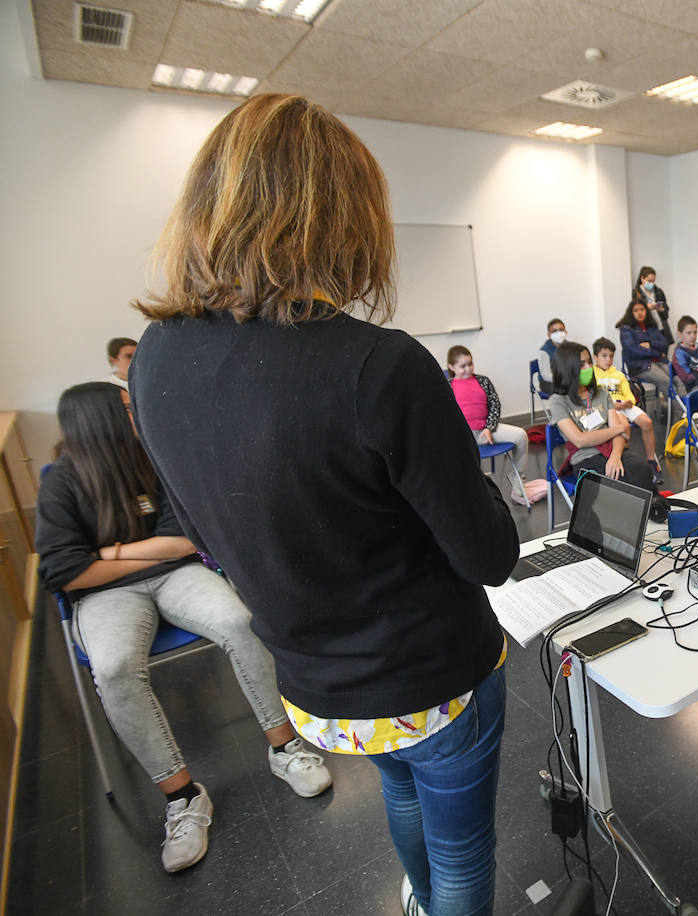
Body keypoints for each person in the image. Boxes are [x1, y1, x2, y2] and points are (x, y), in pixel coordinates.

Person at [128, 94, 519, 916]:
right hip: (429, 681)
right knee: (462, 855)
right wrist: (465, 476)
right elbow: (491, 556)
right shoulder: (379, 365)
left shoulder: (154, 357)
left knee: (402, 797)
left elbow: (203, 530)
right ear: (345, 218)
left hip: (314, 686)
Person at [35, 382, 333, 873]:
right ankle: (183, 797)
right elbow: (64, 571)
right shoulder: (62, 482)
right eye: (128, 409)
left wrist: (106, 553)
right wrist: (126, 559)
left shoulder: (152, 458)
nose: (137, 413)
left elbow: (183, 540)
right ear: (100, 420)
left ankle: (285, 748)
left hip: (175, 576)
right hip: (103, 597)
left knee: (240, 622)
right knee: (112, 669)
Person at [546, 342, 656, 491]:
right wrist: (617, 429)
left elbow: (619, 434)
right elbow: (580, 440)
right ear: (567, 368)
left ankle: (653, 511)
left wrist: (616, 456)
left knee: (642, 468)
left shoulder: (601, 392)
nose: (588, 368)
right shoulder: (558, 401)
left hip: (613, 450)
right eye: (581, 364)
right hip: (586, 458)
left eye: (589, 362)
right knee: (624, 482)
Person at [448, 345, 531, 504]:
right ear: (451, 367)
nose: (468, 369)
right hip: (464, 435)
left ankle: (517, 479)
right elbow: (447, 415)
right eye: (462, 366)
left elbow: (495, 405)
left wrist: (488, 428)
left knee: (520, 435)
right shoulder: (448, 386)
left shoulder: (482, 381)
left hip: (487, 430)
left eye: (470, 364)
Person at [591, 336, 664, 485]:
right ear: (595, 357)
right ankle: (625, 459)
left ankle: (651, 461)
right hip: (610, 409)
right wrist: (613, 405)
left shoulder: (618, 374)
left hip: (625, 405)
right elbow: (595, 399)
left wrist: (629, 401)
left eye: (611, 356)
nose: (608, 359)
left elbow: (628, 391)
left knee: (647, 422)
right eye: (604, 356)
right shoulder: (593, 375)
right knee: (623, 426)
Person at [615, 300, 673, 402]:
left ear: (646, 311)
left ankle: (684, 411)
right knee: (666, 381)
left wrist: (650, 344)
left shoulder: (651, 326)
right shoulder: (626, 330)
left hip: (659, 361)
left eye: (642, 309)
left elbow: (664, 344)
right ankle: (679, 413)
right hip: (640, 366)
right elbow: (634, 350)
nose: (640, 313)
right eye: (636, 310)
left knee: (677, 379)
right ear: (631, 313)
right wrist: (657, 352)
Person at [670, 315, 698, 394]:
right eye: (689, 333)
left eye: (695, 332)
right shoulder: (679, 354)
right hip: (691, 388)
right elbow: (686, 378)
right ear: (680, 334)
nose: (693, 336)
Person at [630, 265, 671, 335]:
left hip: (661, 329)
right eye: (649, 281)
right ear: (642, 278)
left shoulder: (658, 292)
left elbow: (666, 313)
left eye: (653, 281)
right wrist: (646, 308)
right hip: (647, 330)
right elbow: (634, 314)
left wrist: (662, 309)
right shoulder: (635, 293)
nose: (651, 284)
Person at [536, 318, 568, 392]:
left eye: (561, 330)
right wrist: (564, 380)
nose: (558, 333)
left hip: (566, 379)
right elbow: (546, 376)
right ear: (549, 334)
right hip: (548, 382)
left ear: (565, 332)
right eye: (554, 331)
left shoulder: (570, 346)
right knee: (565, 390)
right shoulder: (544, 351)